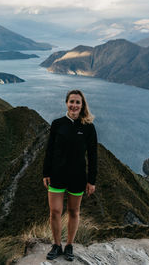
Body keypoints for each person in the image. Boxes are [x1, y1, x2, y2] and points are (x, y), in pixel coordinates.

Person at [43, 89, 97, 261]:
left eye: (77, 102)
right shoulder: (57, 124)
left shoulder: (88, 127)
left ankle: (69, 246)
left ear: (82, 105)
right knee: (55, 211)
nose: (74, 105)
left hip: (78, 177)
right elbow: (49, 151)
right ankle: (57, 245)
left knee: (74, 211)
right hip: (57, 175)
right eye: (71, 101)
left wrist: (91, 180)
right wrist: (46, 173)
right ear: (66, 103)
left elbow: (93, 155)